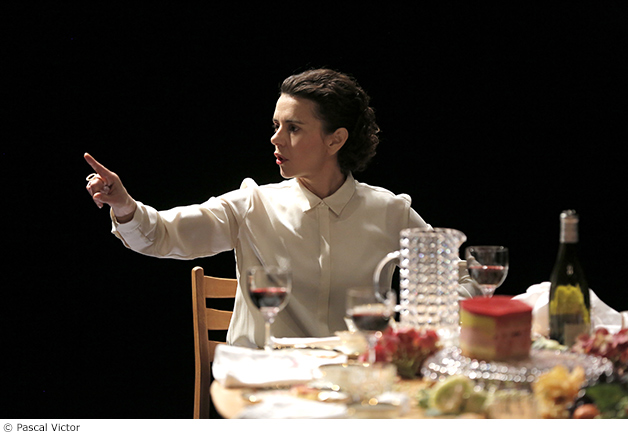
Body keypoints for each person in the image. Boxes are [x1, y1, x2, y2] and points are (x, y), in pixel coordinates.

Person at [85, 68, 479, 348]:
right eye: (276, 125)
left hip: (354, 382)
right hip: (266, 383)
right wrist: (124, 204)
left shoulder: (390, 211)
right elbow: (160, 236)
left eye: (293, 128)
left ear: (335, 140)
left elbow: (462, 280)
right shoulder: (252, 204)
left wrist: (415, 326)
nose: (276, 139)